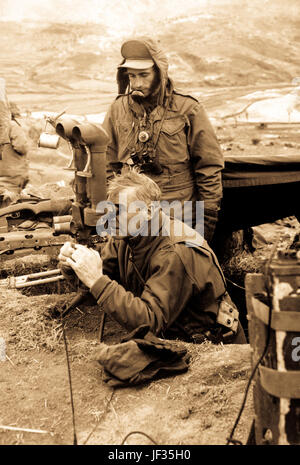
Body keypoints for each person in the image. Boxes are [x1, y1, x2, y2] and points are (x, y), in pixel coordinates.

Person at [58, 169, 246, 345]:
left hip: (212, 346)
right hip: (173, 335)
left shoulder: (174, 252)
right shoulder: (125, 237)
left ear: (148, 212)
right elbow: (96, 291)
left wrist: (97, 280)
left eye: (119, 209)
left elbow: (150, 321)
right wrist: (74, 266)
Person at [102, 37, 224, 244]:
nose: (137, 82)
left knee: (178, 267)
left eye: (144, 75)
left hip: (178, 212)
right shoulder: (117, 109)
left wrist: (209, 214)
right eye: (132, 76)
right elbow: (108, 163)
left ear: (160, 73)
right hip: (132, 213)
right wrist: (112, 208)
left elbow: (209, 167)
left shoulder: (188, 109)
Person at [0, 78, 29, 206]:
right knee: (10, 206)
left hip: (2, 175)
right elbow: (22, 147)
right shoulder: (12, 126)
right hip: (12, 176)